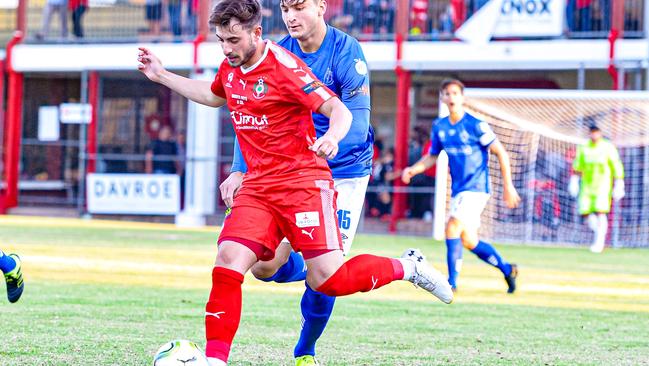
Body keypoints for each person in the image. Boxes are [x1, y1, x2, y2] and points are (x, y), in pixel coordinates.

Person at [137, 1, 453, 365]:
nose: (227, 49)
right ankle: (216, 360)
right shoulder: (231, 66)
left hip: (303, 184)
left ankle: (408, 268)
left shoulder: (286, 66)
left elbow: (341, 110)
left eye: (233, 40)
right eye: (221, 40)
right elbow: (212, 95)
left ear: (256, 33)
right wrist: (161, 75)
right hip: (259, 187)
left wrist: (332, 137)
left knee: (328, 281)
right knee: (232, 262)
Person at [219, 1, 375, 363]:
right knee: (264, 266)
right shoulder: (276, 53)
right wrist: (238, 169)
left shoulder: (346, 52)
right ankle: (307, 263)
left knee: (327, 279)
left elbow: (357, 122)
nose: (291, 16)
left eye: (300, 6)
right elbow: (250, 118)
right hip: (291, 174)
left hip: (345, 172)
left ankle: (305, 351)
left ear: (322, 7)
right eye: (285, 7)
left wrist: (330, 143)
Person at [402, 78, 521, 293]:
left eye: (455, 93)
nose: (451, 97)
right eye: (446, 93)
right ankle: (507, 269)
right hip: (459, 190)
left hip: (476, 188)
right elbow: (432, 156)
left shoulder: (476, 125)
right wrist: (414, 169)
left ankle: (452, 283)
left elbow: (500, 152)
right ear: (442, 98)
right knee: (469, 240)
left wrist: (508, 186)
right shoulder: (440, 126)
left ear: (462, 97)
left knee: (452, 227)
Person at [568, 124, 625, 253]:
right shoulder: (584, 148)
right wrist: (574, 180)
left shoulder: (608, 147)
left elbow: (616, 164)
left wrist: (619, 182)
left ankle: (599, 242)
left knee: (600, 212)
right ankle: (599, 232)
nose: (594, 135)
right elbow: (578, 165)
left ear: (600, 133)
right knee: (585, 212)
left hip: (602, 186)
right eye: (592, 132)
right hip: (587, 186)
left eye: (596, 132)